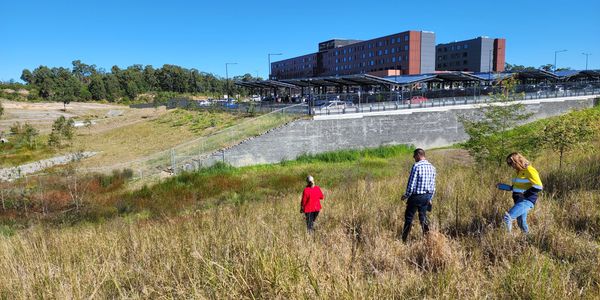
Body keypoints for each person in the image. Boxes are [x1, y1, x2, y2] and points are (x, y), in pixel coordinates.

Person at [497, 152, 543, 234]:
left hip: (526, 200)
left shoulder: (529, 170)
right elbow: (515, 188)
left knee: (507, 218)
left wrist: (525, 194)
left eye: (511, 163)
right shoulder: (517, 172)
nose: (511, 165)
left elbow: (538, 186)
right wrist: (502, 186)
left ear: (517, 160)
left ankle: (508, 241)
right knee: (521, 222)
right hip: (519, 200)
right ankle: (528, 239)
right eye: (509, 164)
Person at [401, 148, 436, 242]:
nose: (413, 157)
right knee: (423, 218)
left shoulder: (416, 166)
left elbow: (411, 184)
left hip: (416, 197)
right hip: (426, 197)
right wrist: (430, 198)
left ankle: (403, 240)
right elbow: (433, 186)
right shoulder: (432, 167)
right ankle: (428, 239)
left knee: (409, 218)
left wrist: (406, 195)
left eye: (414, 156)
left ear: (418, 155)